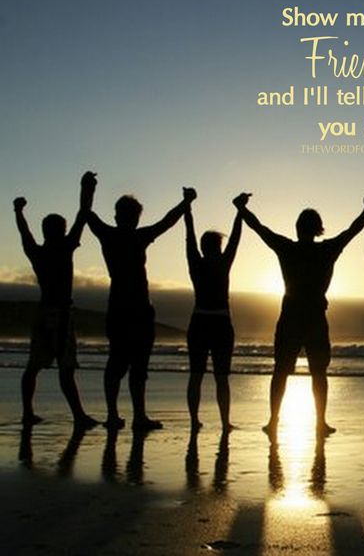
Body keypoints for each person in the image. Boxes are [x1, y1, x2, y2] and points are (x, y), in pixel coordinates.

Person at [240, 195, 364, 439]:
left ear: (298, 228)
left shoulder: (288, 248)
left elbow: (260, 229)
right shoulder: (326, 249)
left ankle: (274, 421)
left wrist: (242, 208)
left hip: (292, 316)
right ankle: (318, 422)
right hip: (313, 317)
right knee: (317, 372)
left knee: (282, 370)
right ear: (318, 229)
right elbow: (352, 231)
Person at [87, 182, 197, 431]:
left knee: (122, 362)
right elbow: (167, 222)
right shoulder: (132, 236)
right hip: (134, 309)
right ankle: (131, 416)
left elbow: (86, 213)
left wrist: (89, 189)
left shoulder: (110, 234)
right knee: (132, 365)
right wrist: (186, 202)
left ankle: (121, 415)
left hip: (124, 309)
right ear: (130, 217)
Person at [13, 171, 98, 429]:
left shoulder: (36, 251)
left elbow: (24, 233)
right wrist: (87, 187)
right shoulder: (65, 246)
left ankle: (28, 412)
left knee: (34, 365)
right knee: (65, 366)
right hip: (60, 313)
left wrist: (18, 211)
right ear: (60, 231)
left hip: (43, 311)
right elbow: (83, 214)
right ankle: (79, 416)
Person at [184, 193, 248, 433]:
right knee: (220, 376)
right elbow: (236, 240)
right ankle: (224, 422)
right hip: (219, 322)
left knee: (197, 375)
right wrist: (240, 210)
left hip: (200, 321)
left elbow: (189, 236)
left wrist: (188, 208)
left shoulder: (196, 262)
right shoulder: (222, 262)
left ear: (203, 247)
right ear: (218, 247)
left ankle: (195, 421)